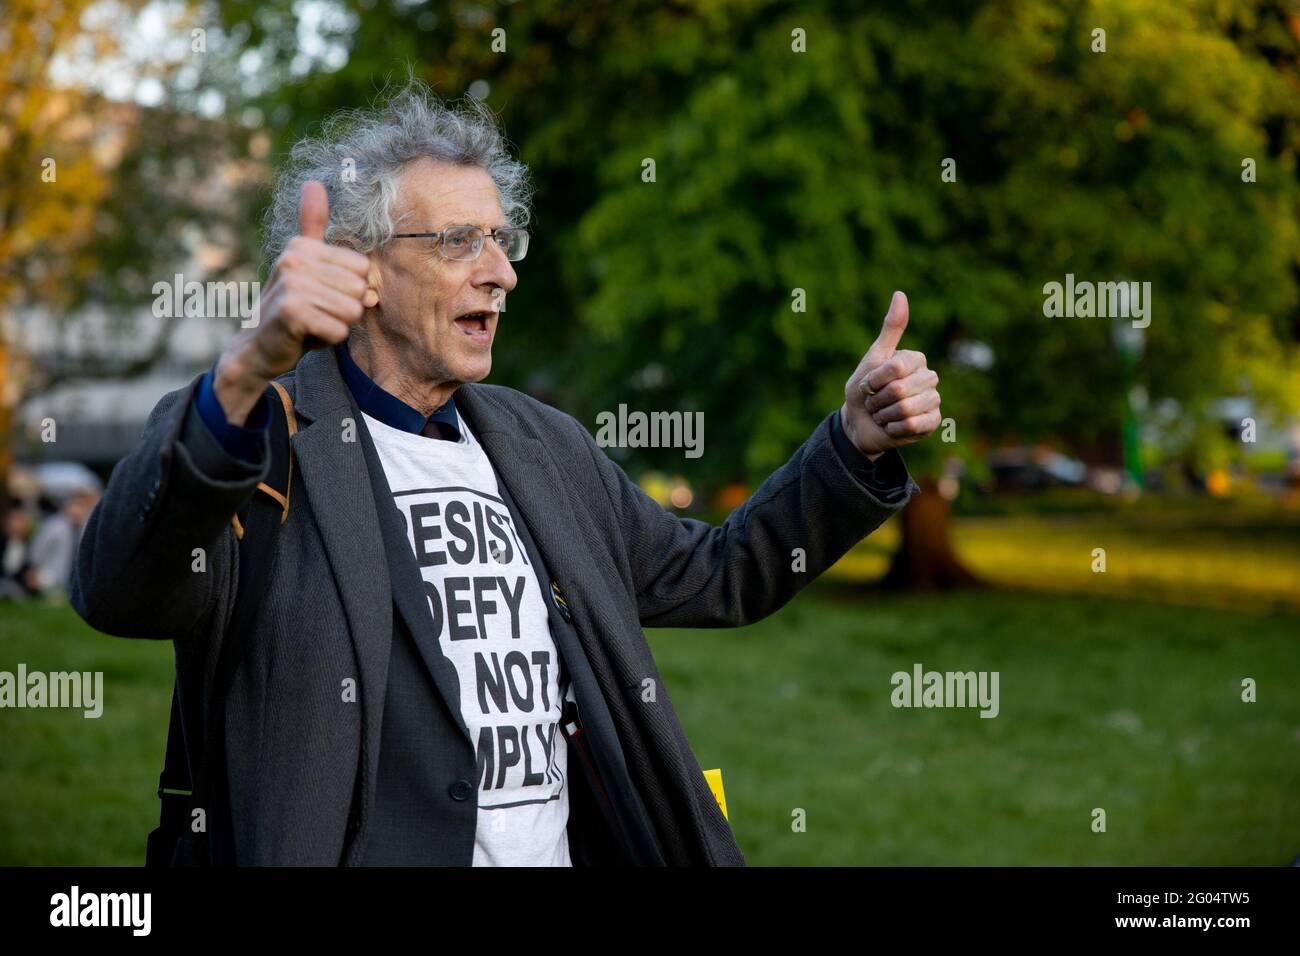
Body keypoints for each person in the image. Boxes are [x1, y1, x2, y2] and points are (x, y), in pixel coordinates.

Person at [71, 78, 941, 866]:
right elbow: (119, 590)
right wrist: (242, 373)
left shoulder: (540, 445)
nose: (503, 272)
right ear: (360, 267)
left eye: (501, 237)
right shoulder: (257, 433)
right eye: (460, 242)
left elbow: (718, 575)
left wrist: (852, 443)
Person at [0, 506, 35, 600]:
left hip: (18, 583)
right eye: (15, 521)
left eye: (22, 521)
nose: (18, 525)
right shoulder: (3, 542)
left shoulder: (28, 544)